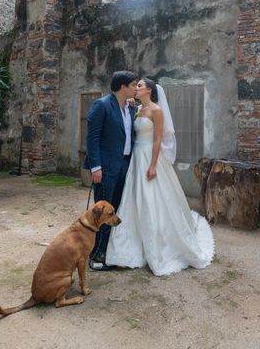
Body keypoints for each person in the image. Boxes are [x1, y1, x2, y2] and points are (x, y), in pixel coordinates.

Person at [105, 78, 214, 276]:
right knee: (133, 197)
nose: (136, 88)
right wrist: (131, 105)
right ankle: (130, 244)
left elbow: (157, 140)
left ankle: (160, 245)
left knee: (152, 198)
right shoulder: (136, 108)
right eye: (135, 85)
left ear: (149, 90)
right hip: (136, 158)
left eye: (139, 85)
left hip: (150, 156)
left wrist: (153, 165)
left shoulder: (157, 110)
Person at [83, 70, 138, 270]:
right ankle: (96, 256)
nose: (136, 88)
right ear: (123, 87)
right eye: (133, 85)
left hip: (125, 166)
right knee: (102, 213)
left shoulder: (130, 107)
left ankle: (108, 250)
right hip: (105, 168)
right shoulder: (102, 105)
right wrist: (95, 167)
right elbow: (92, 138)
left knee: (115, 209)